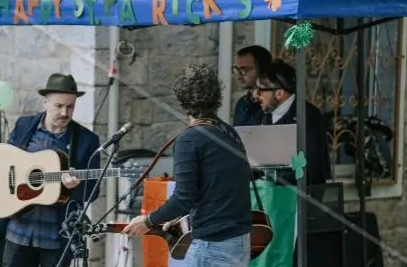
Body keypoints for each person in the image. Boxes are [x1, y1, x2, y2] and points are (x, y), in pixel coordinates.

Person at [123, 64, 252, 267]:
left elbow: (183, 197)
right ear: (216, 97)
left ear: (182, 101)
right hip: (239, 240)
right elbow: (218, 189)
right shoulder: (228, 131)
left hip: (213, 245)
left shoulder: (189, 139)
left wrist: (147, 221)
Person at [0, 74, 101, 267]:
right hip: (18, 231)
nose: (65, 112)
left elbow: (94, 190)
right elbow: (3, 162)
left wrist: (74, 188)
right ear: (45, 102)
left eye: (70, 106)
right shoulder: (24, 126)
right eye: (59, 106)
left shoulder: (87, 140)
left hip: (56, 236)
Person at [256, 60, 332, 186]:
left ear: (279, 93)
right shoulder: (265, 115)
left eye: (261, 90)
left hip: (302, 197)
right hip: (271, 195)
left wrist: (272, 179)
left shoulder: (307, 116)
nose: (256, 95)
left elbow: (308, 166)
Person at [233, 45, 273, 127]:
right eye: (237, 69)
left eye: (244, 69)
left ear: (262, 70)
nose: (239, 75)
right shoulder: (241, 104)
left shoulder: (274, 102)